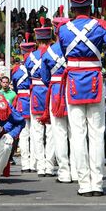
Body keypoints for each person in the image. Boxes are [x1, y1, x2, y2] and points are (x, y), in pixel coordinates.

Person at [57, 0, 106, 197]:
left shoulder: (63, 29)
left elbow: (63, 53)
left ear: (73, 7)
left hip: (74, 83)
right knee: (96, 134)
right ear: (90, 5)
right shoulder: (100, 26)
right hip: (95, 81)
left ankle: (84, 184)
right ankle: (97, 183)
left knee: (77, 135)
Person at [39, 11, 76, 183]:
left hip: (55, 92)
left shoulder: (48, 52)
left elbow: (45, 77)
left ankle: (64, 172)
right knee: (75, 133)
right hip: (74, 90)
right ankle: (77, 171)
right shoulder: (74, 46)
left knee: (59, 133)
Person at [24, 22, 55, 177]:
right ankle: (50, 167)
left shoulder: (30, 56)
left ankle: (40, 167)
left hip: (36, 93)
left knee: (36, 133)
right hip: (51, 92)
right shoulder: (53, 52)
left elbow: (29, 72)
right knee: (51, 132)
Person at [11, 37, 36, 173]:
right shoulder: (36, 65)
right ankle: (34, 163)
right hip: (35, 98)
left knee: (25, 133)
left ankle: (26, 164)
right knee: (35, 133)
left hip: (22, 100)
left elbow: (15, 87)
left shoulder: (16, 70)